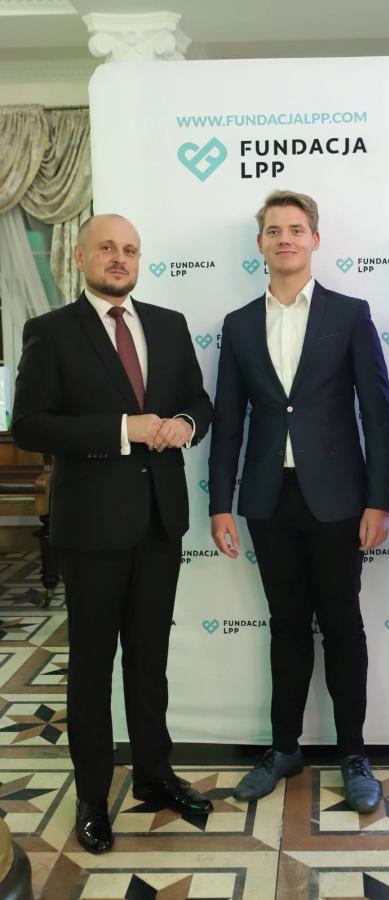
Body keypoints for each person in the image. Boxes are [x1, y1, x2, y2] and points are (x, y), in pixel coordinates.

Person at [11, 214, 214, 854]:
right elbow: (30, 425)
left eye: (130, 249)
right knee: (93, 669)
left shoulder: (169, 324)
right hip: (92, 530)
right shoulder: (50, 331)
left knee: (150, 663)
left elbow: (199, 401)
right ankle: (94, 798)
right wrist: (123, 429)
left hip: (160, 523)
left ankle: (155, 775)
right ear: (80, 257)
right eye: (106, 247)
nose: (119, 258)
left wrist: (186, 424)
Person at [209, 190, 389, 812]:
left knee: (342, 626)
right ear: (260, 244)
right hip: (269, 500)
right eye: (274, 230)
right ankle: (284, 747)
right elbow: (228, 422)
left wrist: (380, 499)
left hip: (340, 502)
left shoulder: (350, 313)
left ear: (314, 239)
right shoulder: (239, 324)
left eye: (295, 229)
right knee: (286, 624)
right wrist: (219, 503)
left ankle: (354, 754)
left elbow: (378, 414)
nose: (284, 239)